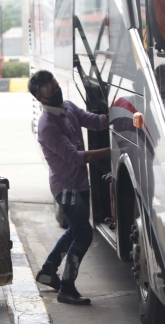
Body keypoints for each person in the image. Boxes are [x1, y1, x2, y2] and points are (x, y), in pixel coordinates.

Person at [29, 70, 109, 305]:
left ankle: (47, 271)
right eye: (50, 90)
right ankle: (67, 287)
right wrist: (113, 153)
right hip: (67, 189)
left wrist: (113, 117)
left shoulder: (68, 107)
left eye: (55, 85)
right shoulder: (47, 126)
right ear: (40, 98)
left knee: (75, 231)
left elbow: (93, 121)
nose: (56, 91)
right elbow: (75, 157)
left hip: (80, 183)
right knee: (83, 235)